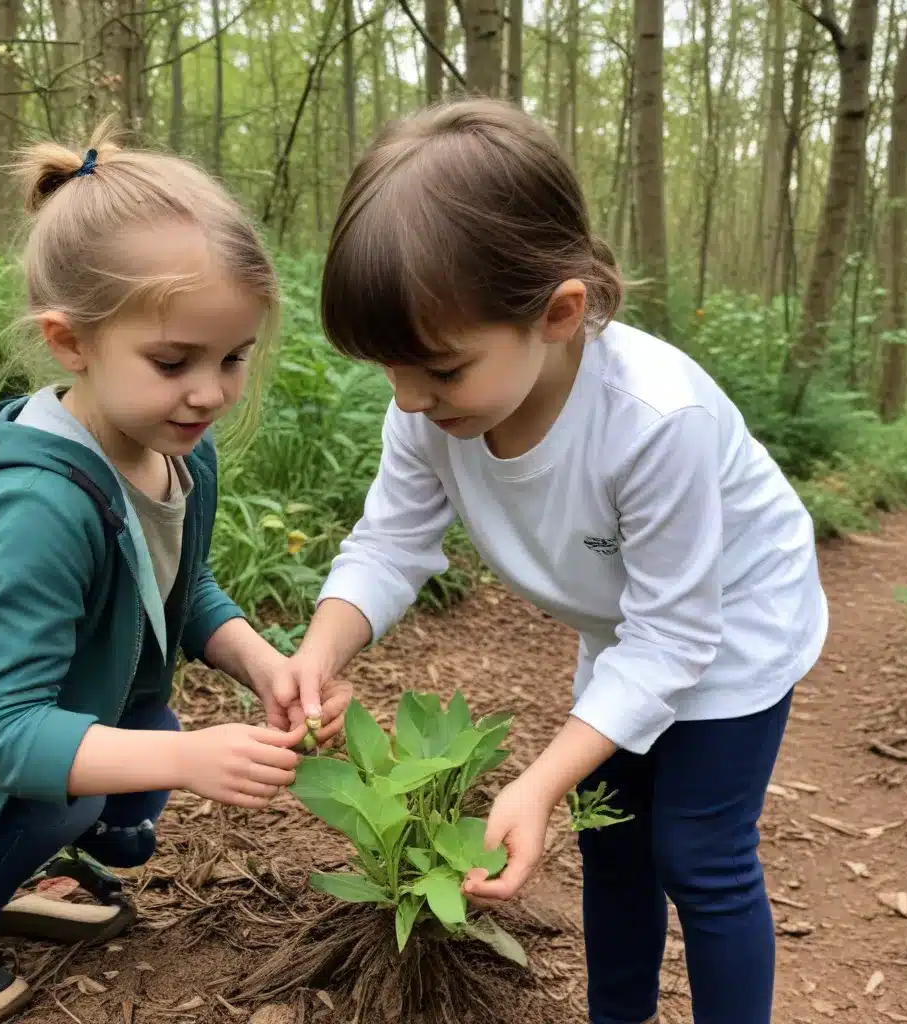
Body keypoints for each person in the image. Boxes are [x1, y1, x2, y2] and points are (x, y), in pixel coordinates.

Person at [278, 98, 828, 1024]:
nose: (410, 399)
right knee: (611, 841)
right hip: (625, 627)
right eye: (390, 370)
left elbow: (676, 637)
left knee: (697, 852)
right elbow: (390, 540)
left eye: (440, 371)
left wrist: (535, 777)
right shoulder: (432, 406)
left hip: (735, 626)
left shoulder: (654, 422)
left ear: (560, 313)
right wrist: (322, 649)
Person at [0, 123, 340, 1023]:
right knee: (70, 787)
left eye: (233, 357)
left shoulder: (176, 455)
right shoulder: (39, 509)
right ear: (70, 341)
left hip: (58, 710)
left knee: (138, 729)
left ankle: (14, 868)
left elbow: (181, 587)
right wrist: (189, 759)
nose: (211, 392)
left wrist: (263, 663)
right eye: (174, 362)